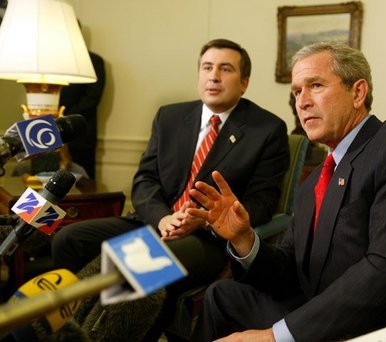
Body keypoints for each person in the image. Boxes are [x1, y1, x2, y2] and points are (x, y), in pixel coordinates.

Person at [187, 41, 386, 341]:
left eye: (316, 85)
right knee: (221, 296)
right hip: (333, 311)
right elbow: (292, 271)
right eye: (297, 91)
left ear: (358, 92)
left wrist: (274, 336)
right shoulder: (315, 182)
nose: (302, 102)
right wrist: (244, 239)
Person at [51, 38, 290, 340]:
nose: (213, 76)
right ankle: (72, 330)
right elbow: (145, 180)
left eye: (225, 69)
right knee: (68, 239)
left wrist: (206, 218)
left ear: (244, 82)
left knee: (137, 260)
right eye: (207, 67)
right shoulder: (170, 117)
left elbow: (263, 203)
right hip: (154, 222)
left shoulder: (267, 129)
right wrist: (164, 218)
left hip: (207, 239)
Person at [59, 49, 105, 180]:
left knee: (84, 185)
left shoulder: (93, 61)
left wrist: (64, 118)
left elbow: (92, 97)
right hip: (51, 135)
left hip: (81, 134)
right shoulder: (52, 58)